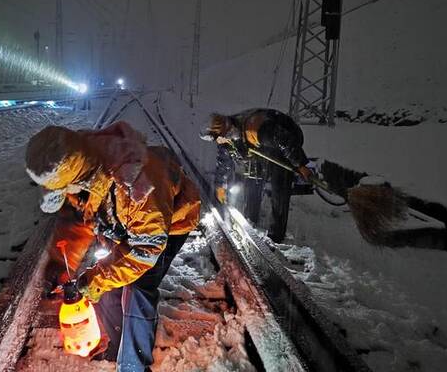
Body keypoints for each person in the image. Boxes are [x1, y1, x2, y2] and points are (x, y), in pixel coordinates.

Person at [25, 121, 200, 371]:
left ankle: (133, 364)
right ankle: (117, 344)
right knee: (107, 282)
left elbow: (144, 252)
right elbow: (78, 220)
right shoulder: (81, 166)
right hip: (125, 223)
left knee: (138, 287)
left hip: (169, 224)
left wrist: (96, 280)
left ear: (77, 178)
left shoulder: (140, 181)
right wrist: (60, 265)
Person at [200, 108, 312, 243]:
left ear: (226, 130)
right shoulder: (226, 139)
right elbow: (224, 162)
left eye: (217, 138)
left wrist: (300, 164)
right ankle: (250, 219)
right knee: (253, 176)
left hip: (285, 135)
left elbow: (283, 140)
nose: (218, 142)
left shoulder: (254, 129)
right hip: (260, 144)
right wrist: (220, 186)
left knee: (279, 183)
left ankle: (276, 234)